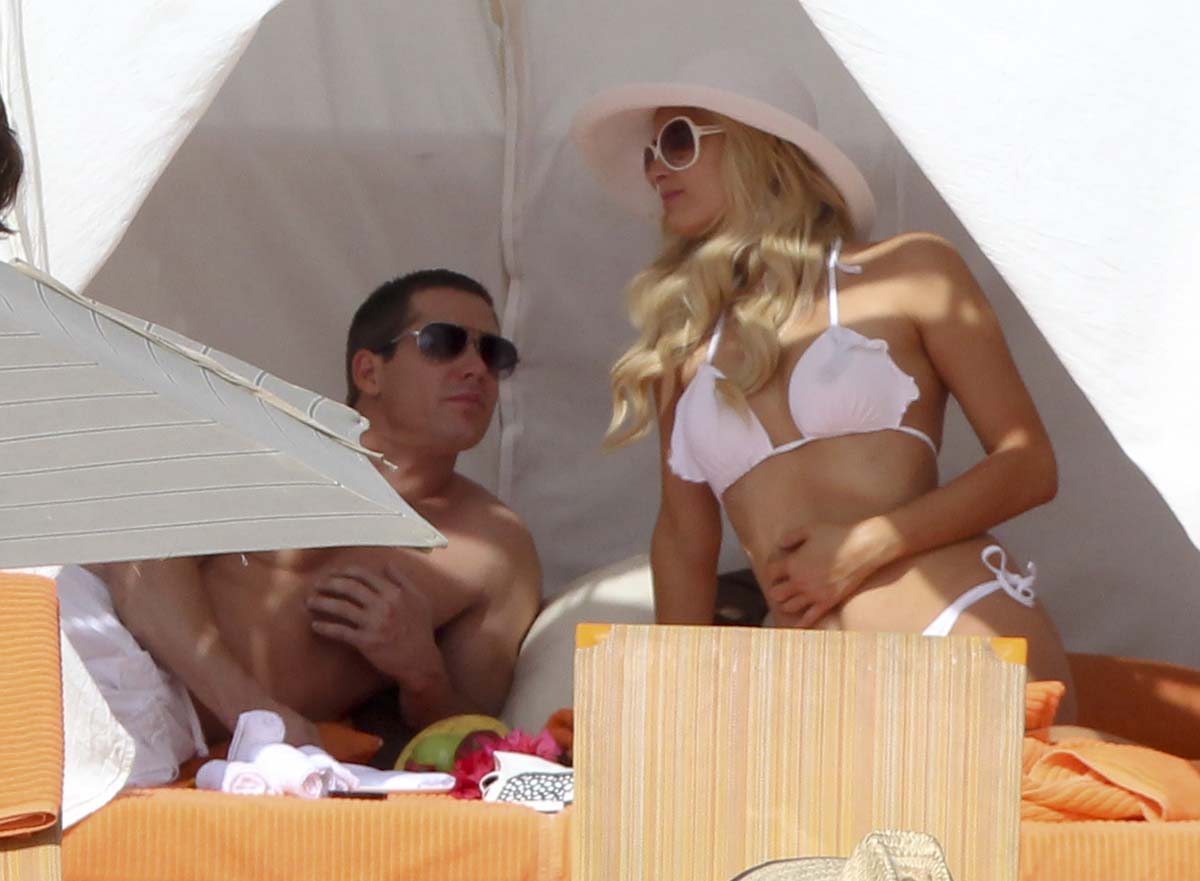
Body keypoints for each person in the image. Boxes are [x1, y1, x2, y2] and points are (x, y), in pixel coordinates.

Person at [572, 56, 1076, 719]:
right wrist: (673, 698)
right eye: (650, 154)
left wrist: (868, 544)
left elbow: (1029, 464)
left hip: (955, 629)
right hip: (807, 686)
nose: (656, 169)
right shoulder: (683, 345)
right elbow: (685, 540)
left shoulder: (911, 270)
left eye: (678, 141)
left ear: (760, 147)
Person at [89, 270, 542, 750]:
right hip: (96, 651)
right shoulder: (265, 448)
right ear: (369, 372)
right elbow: (138, 555)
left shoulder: (497, 549)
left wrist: (422, 672)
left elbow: (472, 744)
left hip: (170, 736)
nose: (476, 368)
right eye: (443, 343)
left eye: (494, 353)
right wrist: (255, 714)